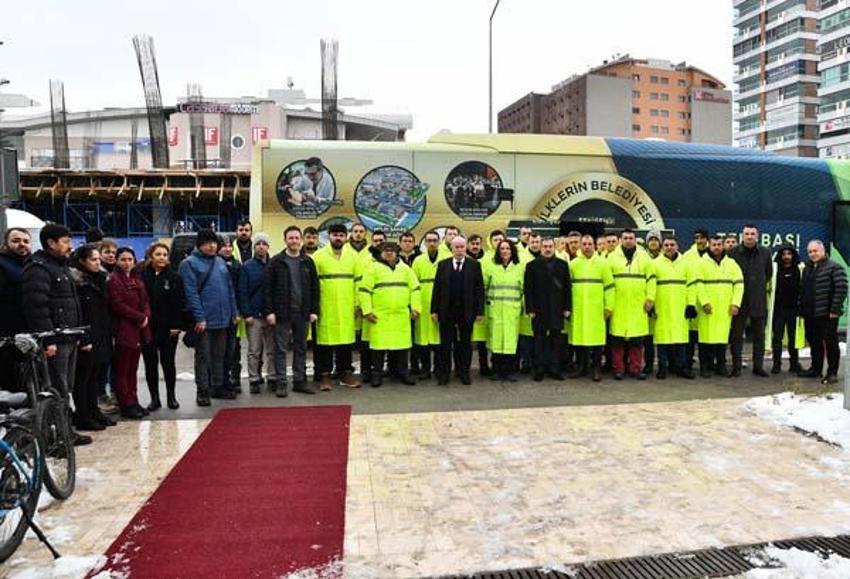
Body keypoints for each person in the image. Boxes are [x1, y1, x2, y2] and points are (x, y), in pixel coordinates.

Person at [23, 224, 91, 445]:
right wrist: (47, 339)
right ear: (51, 243)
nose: (70, 246)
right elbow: (37, 306)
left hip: (69, 336)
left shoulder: (60, 266)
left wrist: (79, 332)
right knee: (56, 388)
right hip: (55, 341)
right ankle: (58, 438)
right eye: (65, 241)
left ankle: (65, 432)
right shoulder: (38, 268)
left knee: (65, 388)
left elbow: (73, 303)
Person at [180, 228, 239, 406]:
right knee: (203, 357)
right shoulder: (189, 264)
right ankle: (203, 391)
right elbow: (191, 294)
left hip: (224, 318)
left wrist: (234, 312)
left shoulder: (220, 261)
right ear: (199, 244)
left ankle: (217, 386)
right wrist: (199, 318)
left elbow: (229, 289)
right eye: (207, 243)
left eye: (214, 242)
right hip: (204, 321)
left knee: (220, 355)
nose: (212, 246)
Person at [265, 226, 319, 397]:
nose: (294, 241)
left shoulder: (307, 262)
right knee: (281, 350)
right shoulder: (276, 262)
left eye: (297, 238)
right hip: (282, 313)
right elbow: (268, 289)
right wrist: (270, 312)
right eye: (291, 238)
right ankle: (281, 383)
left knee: (301, 348)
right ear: (285, 240)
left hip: (303, 313)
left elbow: (315, 288)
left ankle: (299, 381)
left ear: (301, 240)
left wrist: (314, 310)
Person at [359, 242, 420, 387]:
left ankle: (403, 373)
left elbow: (415, 289)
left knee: (402, 347)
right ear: (380, 253)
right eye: (385, 250)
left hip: (401, 315)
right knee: (378, 348)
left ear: (397, 252)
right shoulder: (373, 268)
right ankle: (377, 375)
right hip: (379, 316)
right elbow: (364, 291)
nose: (389, 253)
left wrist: (416, 308)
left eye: (392, 250)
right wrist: (367, 311)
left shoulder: (406, 269)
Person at [70, 244, 116, 430]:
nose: (97, 263)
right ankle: (83, 415)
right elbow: (78, 312)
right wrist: (84, 337)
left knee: (95, 376)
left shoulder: (101, 279)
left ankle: (94, 411)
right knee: (83, 378)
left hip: (101, 333)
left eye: (98, 259)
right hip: (86, 334)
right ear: (82, 261)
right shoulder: (78, 281)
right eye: (93, 259)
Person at [312, 224, 360, 390]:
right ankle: (324, 375)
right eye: (335, 235)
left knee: (345, 342)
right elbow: (312, 284)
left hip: (347, 306)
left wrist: (357, 303)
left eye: (341, 235)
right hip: (326, 306)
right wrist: (314, 307)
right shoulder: (318, 256)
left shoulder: (353, 256)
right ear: (329, 236)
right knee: (324, 343)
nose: (338, 238)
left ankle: (345, 373)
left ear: (346, 237)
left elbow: (358, 282)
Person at [431, 236, 485, 385]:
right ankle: (444, 374)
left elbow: (479, 289)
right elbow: (437, 289)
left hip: (466, 311)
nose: (459, 250)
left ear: (465, 248)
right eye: (456, 247)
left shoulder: (474, 265)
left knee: (465, 343)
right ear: (452, 249)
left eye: (462, 247)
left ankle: (464, 373)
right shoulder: (443, 265)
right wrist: (434, 310)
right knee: (445, 344)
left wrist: (480, 311)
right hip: (446, 311)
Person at [140, 243, 186, 411]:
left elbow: (179, 303)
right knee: (150, 363)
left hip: (168, 329)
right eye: (158, 254)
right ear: (151, 256)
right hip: (148, 328)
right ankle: (154, 398)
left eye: (165, 255)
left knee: (168, 363)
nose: (162, 258)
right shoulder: (142, 276)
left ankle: (171, 397)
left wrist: (177, 325)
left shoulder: (174, 277)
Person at [108, 247, 152, 419]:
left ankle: (134, 400)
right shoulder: (113, 279)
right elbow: (117, 305)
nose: (127, 263)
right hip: (124, 329)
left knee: (133, 369)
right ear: (117, 261)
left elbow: (145, 301)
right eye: (123, 259)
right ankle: (126, 404)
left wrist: (146, 315)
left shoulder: (136, 278)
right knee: (122, 370)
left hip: (139, 329)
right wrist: (139, 317)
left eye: (130, 259)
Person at [607, 229, 656, 380]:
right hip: (618, 305)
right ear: (620, 240)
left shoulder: (644, 257)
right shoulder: (611, 257)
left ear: (635, 240)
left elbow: (652, 279)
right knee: (617, 340)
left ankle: (635, 369)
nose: (628, 240)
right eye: (625, 238)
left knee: (637, 340)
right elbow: (607, 282)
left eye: (631, 238)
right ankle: (619, 369)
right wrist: (608, 304)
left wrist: (650, 299)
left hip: (638, 305)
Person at [799, 240, 848, 384]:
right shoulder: (808, 268)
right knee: (814, 342)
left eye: (815, 251)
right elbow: (804, 289)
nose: (812, 254)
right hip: (810, 313)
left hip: (827, 314)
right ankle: (815, 369)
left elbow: (841, 288)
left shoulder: (834, 267)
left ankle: (832, 373)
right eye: (810, 252)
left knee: (830, 343)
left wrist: (834, 310)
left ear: (823, 251)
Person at [695, 235, 744, 378]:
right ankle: (705, 367)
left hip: (724, 308)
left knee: (722, 340)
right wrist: (704, 302)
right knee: (705, 340)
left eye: (719, 244)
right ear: (709, 246)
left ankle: (721, 366)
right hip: (707, 309)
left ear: (723, 246)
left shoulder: (731, 264)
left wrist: (735, 303)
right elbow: (698, 284)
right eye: (714, 245)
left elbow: (739, 285)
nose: (716, 247)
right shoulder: (701, 263)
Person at [728, 224, 772, 377]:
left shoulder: (765, 253)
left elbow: (768, 274)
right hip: (738, 300)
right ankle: (736, 367)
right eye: (747, 234)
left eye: (752, 234)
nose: (749, 236)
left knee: (759, 336)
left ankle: (758, 367)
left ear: (757, 236)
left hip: (758, 300)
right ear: (742, 235)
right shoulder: (732, 253)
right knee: (736, 336)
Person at [524, 237, 571, 381]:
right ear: (541, 247)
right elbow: (528, 289)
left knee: (556, 339)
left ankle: (554, 368)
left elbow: (567, 288)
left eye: (550, 246)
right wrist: (530, 308)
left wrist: (567, 307)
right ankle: (539, 368)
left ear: (554, 247)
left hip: (557, 307)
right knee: (539, 339)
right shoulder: (532, 265)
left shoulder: (563, 265)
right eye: (545, 246)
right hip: (539, 308)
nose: (547, 249)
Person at [569, 235, 614, 382]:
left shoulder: (603, 263)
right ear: (580, 246)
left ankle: (596, 368)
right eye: (584, 244)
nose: (587, 247)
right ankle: (581, 367)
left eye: (589, 244)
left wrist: (609, 306)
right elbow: (567, 288)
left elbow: (609, 287)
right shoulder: (573, 264)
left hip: (597, 309)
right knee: (579, 339)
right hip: (579, 308)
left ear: (594, 245)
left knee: (597, 341)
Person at [238, 233, 277, 393]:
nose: (261, 246)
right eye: (258, 244)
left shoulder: (274, 265)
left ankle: (272, 377)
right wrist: (246, 313)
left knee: (272, 350)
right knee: (254, 350)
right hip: (254, 316)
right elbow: (242, 291)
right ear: (254, 247)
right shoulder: (247, 266)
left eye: (264, 244)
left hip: (271, 315)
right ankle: (254, 378)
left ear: (268, 247)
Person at [652, 237, 695, 379]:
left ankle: (681, 367)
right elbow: (651, 286)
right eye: (666, 245)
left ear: (677, 246)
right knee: (662, 340)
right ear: (662, 247)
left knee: (680, 340)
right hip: (662, 307)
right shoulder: (655, 264)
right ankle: (662, 368)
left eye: (672, 244)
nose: (669, 247)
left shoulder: (686, 264)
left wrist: (691, 304)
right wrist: (651, 304)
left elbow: (691, 285)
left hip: (680, 307)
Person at [485, 240, 524, 382]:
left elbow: (523, 290)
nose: (505, 251)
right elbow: (485, 287)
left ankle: (509, 371)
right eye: (502, 248)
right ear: (498, 251)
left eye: (507, 248)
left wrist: (523, 307)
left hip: (512, 311)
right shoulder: (491, 267)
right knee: (496, 341)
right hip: (495, 309)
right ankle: (497, 370)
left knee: (510, 342)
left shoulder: (519, 268)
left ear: (512, 251)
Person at [769, 244, 804, 374]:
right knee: (777, 338)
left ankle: (794, 364)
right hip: (778, 310)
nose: (786, 257)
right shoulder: (774, 269)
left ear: (793, 255)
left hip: (794, 310)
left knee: (793, 338)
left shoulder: (800, 269)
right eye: (784, 254)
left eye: (789, 254)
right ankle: (776, 364)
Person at [412, 230, 442, 379]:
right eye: (429, 240)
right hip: (422, 303)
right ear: (424, 242)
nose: (432, 243)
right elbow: (413, 285)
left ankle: (438, 368)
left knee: (439, 339)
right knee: (422, 339)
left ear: (439, 242)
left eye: (434, 240)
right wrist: (415, 306)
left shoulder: (445, 259)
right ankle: (425, 369)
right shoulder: (418, 260)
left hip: (440, 303)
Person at [218, 236, 244, 393]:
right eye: (224, 246)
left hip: (234, 313)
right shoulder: (215, 264)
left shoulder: (237, 265)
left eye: (229, 246)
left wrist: (239, 311)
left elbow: (241, 290)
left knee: (234, 348)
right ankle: (220, 379)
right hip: (219, 312)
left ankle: (235, 379)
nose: (227, 249)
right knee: (218, 349)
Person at [682, 228, 710, 371]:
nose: (699, 241)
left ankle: (706, 365)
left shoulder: (712, 254)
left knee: (705, 336)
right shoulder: (687, 255)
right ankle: (688, 364)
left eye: (702, 238)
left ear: (707, 239)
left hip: (707, 300)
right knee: (691, 336)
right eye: (696, 238)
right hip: (692, 300)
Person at [0, 228, 32, 337]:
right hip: (8, 331)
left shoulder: (34, 265)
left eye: (26, 241)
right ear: (6, 243)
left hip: (30, 329)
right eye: (16, 241)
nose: (22, 244)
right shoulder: (2, 264)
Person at [517, 233, 542, 373]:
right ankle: (527, 363)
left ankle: (539, 362)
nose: (535, 244)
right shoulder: (521, 258)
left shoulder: (546, 256)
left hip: (543, 301)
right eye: (532, 242)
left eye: (537, 242)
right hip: (527, 298)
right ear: (528, 242)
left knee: (540, 334)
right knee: (526, 334)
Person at [467, 233, 491, 376]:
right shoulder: (463, 259)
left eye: (477, 244)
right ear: (468, 245)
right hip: (466, 304)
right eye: (473, 244)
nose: (475, 246)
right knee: (465, 340)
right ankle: (464, 368)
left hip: (482, 302)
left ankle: (484, 367)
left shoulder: (487, 260)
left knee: (482, 340)